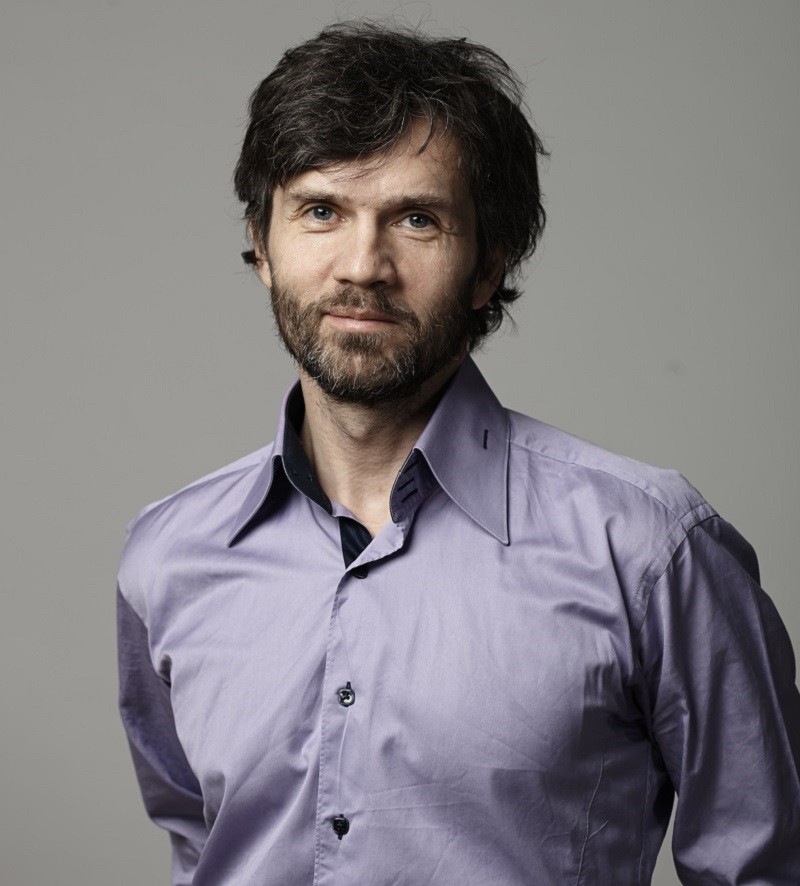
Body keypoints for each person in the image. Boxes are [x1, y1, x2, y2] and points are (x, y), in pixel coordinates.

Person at [117, 21, 800, 885]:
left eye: (417, 219)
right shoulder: (169, 556)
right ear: (262, 241)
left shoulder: (649, 551)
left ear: (488, 264)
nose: (362, 266)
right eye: (321, 211)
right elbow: (199, 846)